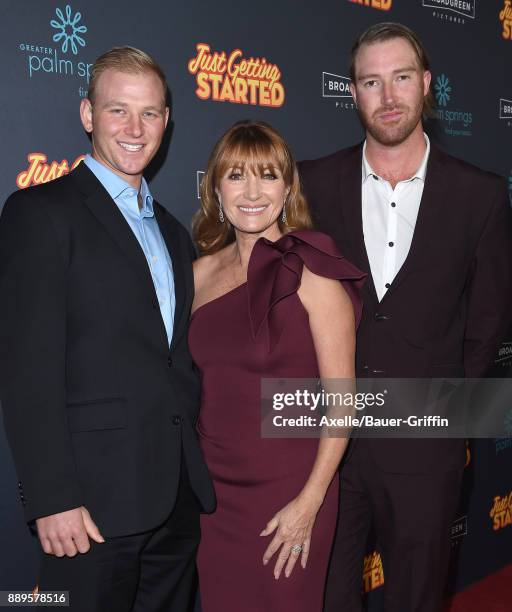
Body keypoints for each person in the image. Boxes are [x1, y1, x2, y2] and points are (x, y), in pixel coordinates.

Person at [299, 22, 512, 612]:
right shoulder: (311, 183)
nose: (387, 96)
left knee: (417, 597)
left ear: (425, 85)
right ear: (353, 93)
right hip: (328, 444)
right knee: (326, 596)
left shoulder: (481, 194)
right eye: (371, 81)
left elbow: (488, 321)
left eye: (400, 78)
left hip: (428, 444)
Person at [0, 47, 215, 611]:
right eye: (118, 110)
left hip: (175, 499)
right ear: (87, 115)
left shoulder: (173, 232)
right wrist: (51, 498)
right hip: (88, 509)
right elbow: (28, 370)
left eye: (150, 113)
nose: (135, 129)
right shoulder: (40, 214)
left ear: (167, 122)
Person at [189, 120, 366, 612]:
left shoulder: (313, 274)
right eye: (235, 176)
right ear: (215, 188)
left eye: (267, 175)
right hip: (215, 492)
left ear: (287, 187)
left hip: (292, 488)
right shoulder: (198, 274)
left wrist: (310, 503)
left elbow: (343, 406)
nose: (251, 192)